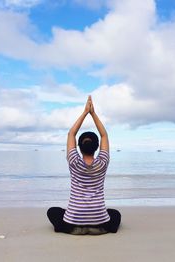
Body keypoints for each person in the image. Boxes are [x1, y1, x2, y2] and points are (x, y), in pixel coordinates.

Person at [47, 96, 121, 235]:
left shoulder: (74, 161)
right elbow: (104, 135)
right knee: (115, 214)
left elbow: (71, 133)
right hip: (100, 223)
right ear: (97, 147)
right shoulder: (103, 162)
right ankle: (96, 228)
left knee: (53, 212)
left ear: (78, 147)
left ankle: (76, 228)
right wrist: (93, 113)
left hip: (73, 222)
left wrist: (85, 112)